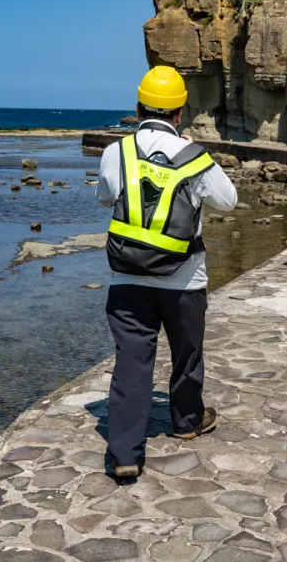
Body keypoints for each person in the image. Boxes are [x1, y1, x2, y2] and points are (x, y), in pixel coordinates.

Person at [96, 65, 238, 479]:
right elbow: (228, 201)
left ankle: (124, 453)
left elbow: (107, 198)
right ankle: (187, 421)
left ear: (138, 108)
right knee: (186, 353)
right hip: (184, 279)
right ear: (180, 113)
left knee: (132, 363)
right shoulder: (194, 157)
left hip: (127, 279)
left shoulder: (115, 152)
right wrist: (196, 154)